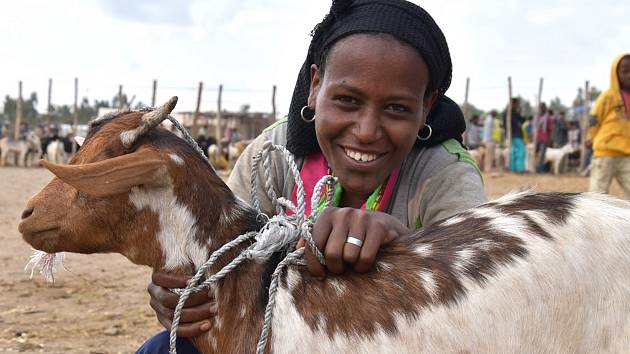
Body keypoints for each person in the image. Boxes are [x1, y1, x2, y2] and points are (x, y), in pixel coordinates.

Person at [137, 1, 486, 352]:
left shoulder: (443, 175)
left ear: (427, 105)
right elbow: (213, 257)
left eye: (397, 108)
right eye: (347, 100)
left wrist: (407, 248)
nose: (366, 131)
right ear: (316, 86)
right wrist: (179, 293)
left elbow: (479, 306)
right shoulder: (273, 154)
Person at [588, 53, 630, 199]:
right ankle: (593, 220)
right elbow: (594, 119)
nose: (629, 75)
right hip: (605, 152)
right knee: (597, 194)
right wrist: (591, 138)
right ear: (615, 73)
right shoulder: (608, 96)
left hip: (627, 154)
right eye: (625, 72)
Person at [505, 98, 526, 173]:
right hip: (517, 135)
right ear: (513, 104)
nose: (518, 105)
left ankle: (514, 168)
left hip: (513, 135)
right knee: (521, 151)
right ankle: (519, 169)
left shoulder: (509, 113)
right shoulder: (512, 114)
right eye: (517, 104)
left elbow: (522, 120)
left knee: (514, 151)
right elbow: (520, 123)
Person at [535, 105, 554, 173]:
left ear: (545, 109)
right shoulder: (537, 117)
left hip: (544, 138)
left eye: (543, 108)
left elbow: (551, 129)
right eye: (540, 108)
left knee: (542, 155)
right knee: (535, 154)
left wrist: (549, 139)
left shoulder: (548, 118)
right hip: (537, 138)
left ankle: (540, 169)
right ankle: (535, 167)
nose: (541, 110)